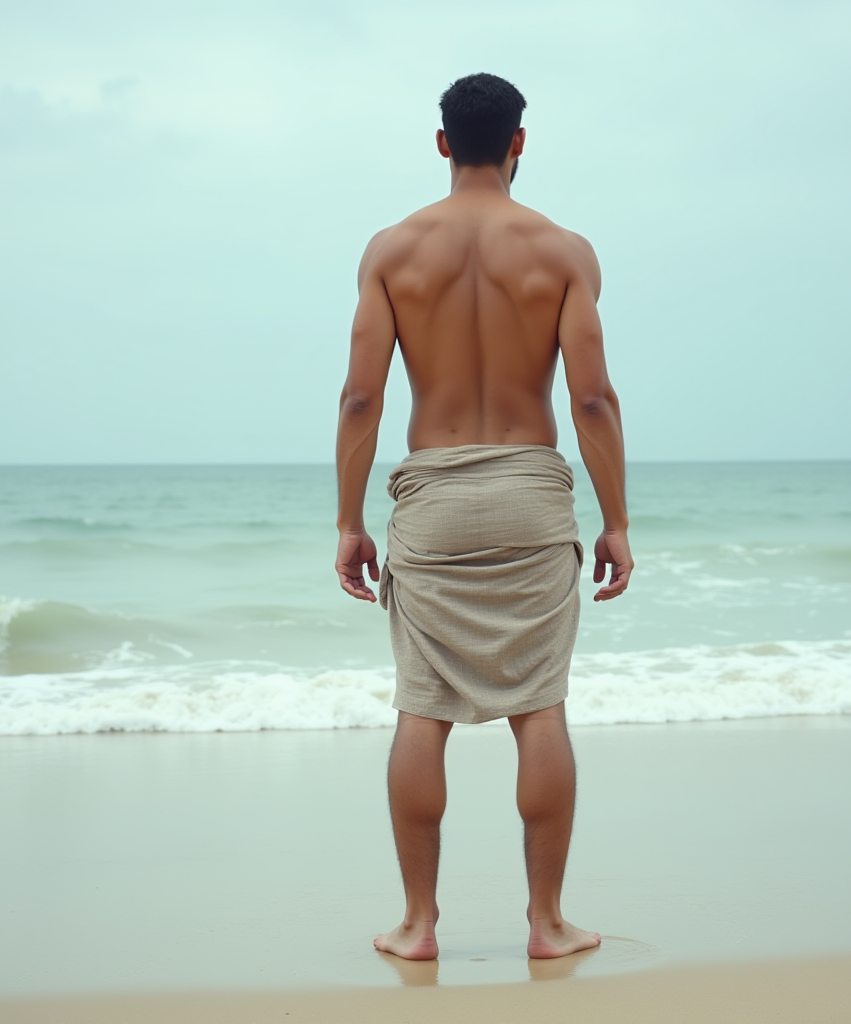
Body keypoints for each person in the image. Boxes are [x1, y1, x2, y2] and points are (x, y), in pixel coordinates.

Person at [334, 73, 632, 961]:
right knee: (538, 708)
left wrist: (348, 519)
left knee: (420, 714)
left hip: (431, 492)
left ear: (439, 144)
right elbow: (593, 400)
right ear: (518, 143)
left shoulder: (392, 250)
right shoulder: (563, 251)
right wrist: (615, 518)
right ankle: (546, 924)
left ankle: (419, 925)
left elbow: (360, 398)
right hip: (531, 491)